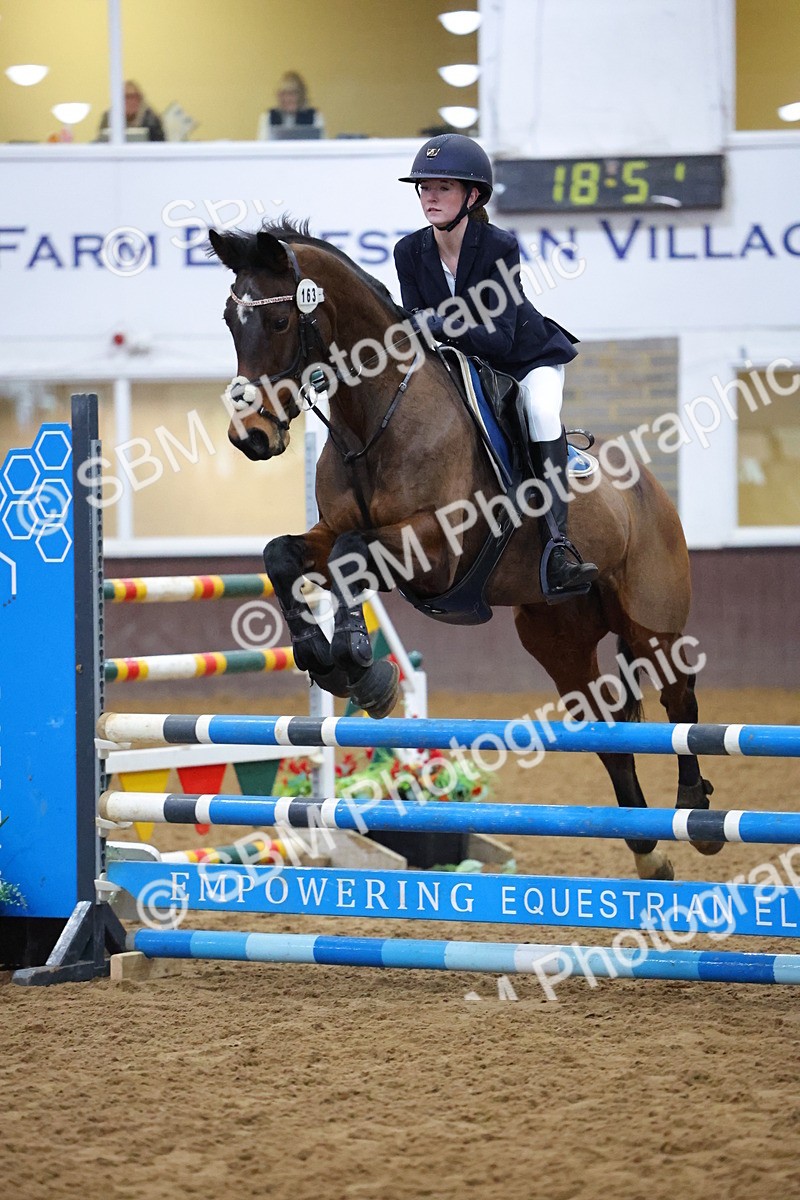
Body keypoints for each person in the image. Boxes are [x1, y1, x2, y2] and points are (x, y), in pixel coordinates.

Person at [394, 133, 598, 599]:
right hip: (467, 365)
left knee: (540, 412)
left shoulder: (498, 247)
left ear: (472, 196)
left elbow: (498, 336)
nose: (430, 197)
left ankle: (558, 547)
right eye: (425, 188)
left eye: (443, 187)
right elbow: (414, 328)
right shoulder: (409, 252)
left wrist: (438, 322)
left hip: (525, 359)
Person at [257, 71, 324, 140]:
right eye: (283, 94)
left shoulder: (315, 117)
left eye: (292, 93)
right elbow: (262, 144)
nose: (287, 99)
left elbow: (323, 144)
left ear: (301, 95)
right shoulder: (268, 117)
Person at [98, 80, 165, 141]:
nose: (131, 101)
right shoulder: (109, 118)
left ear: (140, 99)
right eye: (126, 97)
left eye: (134, 96)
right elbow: (102, 142)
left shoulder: (152, 119)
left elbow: (160, 144)